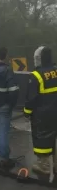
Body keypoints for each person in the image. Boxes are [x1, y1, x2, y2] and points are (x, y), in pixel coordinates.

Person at [24, 46, 57, 175]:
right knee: (54, 137)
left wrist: (27, 112)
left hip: (42, 114)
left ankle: (44, 166)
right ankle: (54, 164)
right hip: (55, 111)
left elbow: (31, 98)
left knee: (42, 138)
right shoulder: (55, 71)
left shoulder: (36, 75)